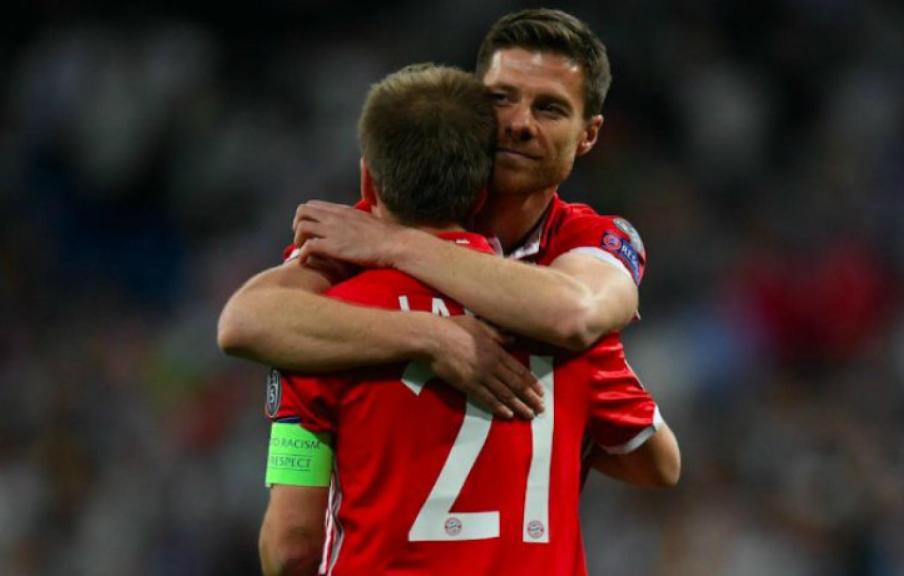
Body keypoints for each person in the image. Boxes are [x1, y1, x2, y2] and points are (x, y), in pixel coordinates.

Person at [257, 63, 678, 575]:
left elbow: (292, 547)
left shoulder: (319, 331)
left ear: (368, 177)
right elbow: (659, 462)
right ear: (483, 190)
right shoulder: (563, 323)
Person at [217, 9, 649, 423]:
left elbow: (575, 314)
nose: (519, 122)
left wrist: (397, 246)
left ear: (589, 134)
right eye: (502, 98)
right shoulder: (396, 212)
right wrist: (431, 337)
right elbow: (245, 322)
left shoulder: (590, 237)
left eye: (549, 108)